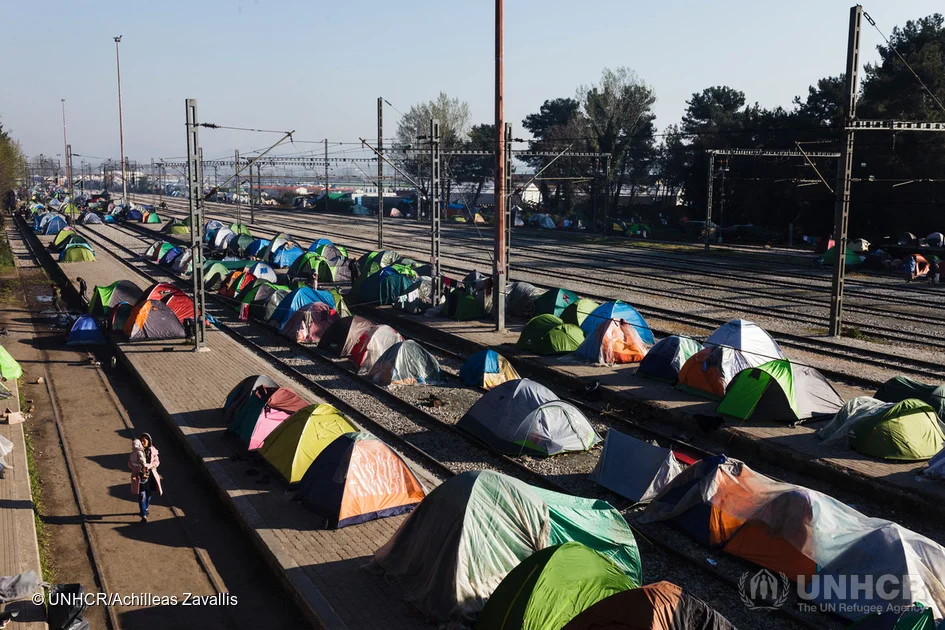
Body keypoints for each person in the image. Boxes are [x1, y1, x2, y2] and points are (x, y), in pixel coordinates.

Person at [128, 432, 162, 522]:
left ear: (149, 441)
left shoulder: (153, 451)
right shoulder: (136, 451)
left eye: (144, 441)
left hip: (151, 476)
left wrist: (149, 466)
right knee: (142, 495)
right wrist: (137, 468)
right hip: (140, 477)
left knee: (148, 494)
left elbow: (157, 462)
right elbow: (130, 464)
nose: (142, 443)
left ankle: (146, 508)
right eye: (141, 441)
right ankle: (143, 515)